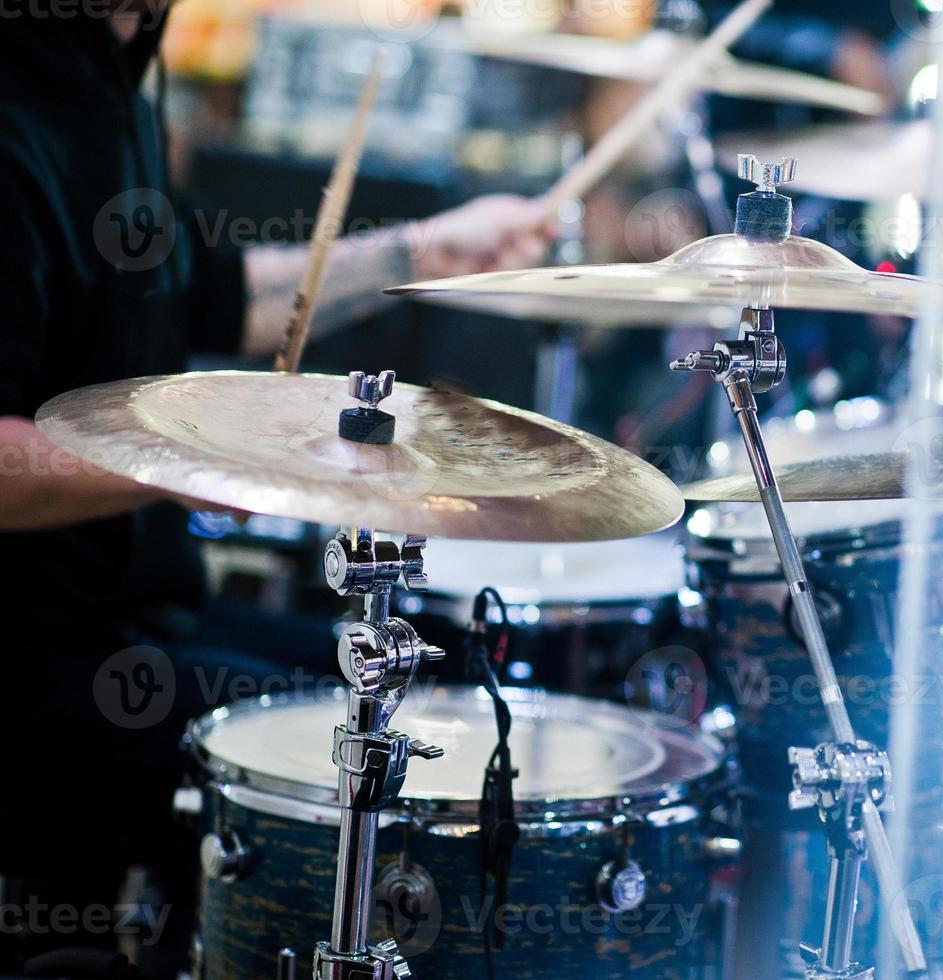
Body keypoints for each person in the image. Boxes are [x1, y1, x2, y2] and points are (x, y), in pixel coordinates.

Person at [0, 4, 554, 975]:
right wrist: (203, 459)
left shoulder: (117, 66)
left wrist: (427, 253)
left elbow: (206, 296)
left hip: (143, 615)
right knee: (348, 754)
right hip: (33, 662)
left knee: (448, 681)